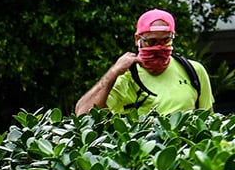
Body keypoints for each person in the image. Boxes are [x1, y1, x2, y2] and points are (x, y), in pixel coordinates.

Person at [74, 9, 216, 115]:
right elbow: (82, 114)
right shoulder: (125, 76)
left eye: (166, 40)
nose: (159, 47)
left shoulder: (193, 71)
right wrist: (113, 72)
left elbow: (207, 121)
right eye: (152, 41)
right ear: (138, 39)